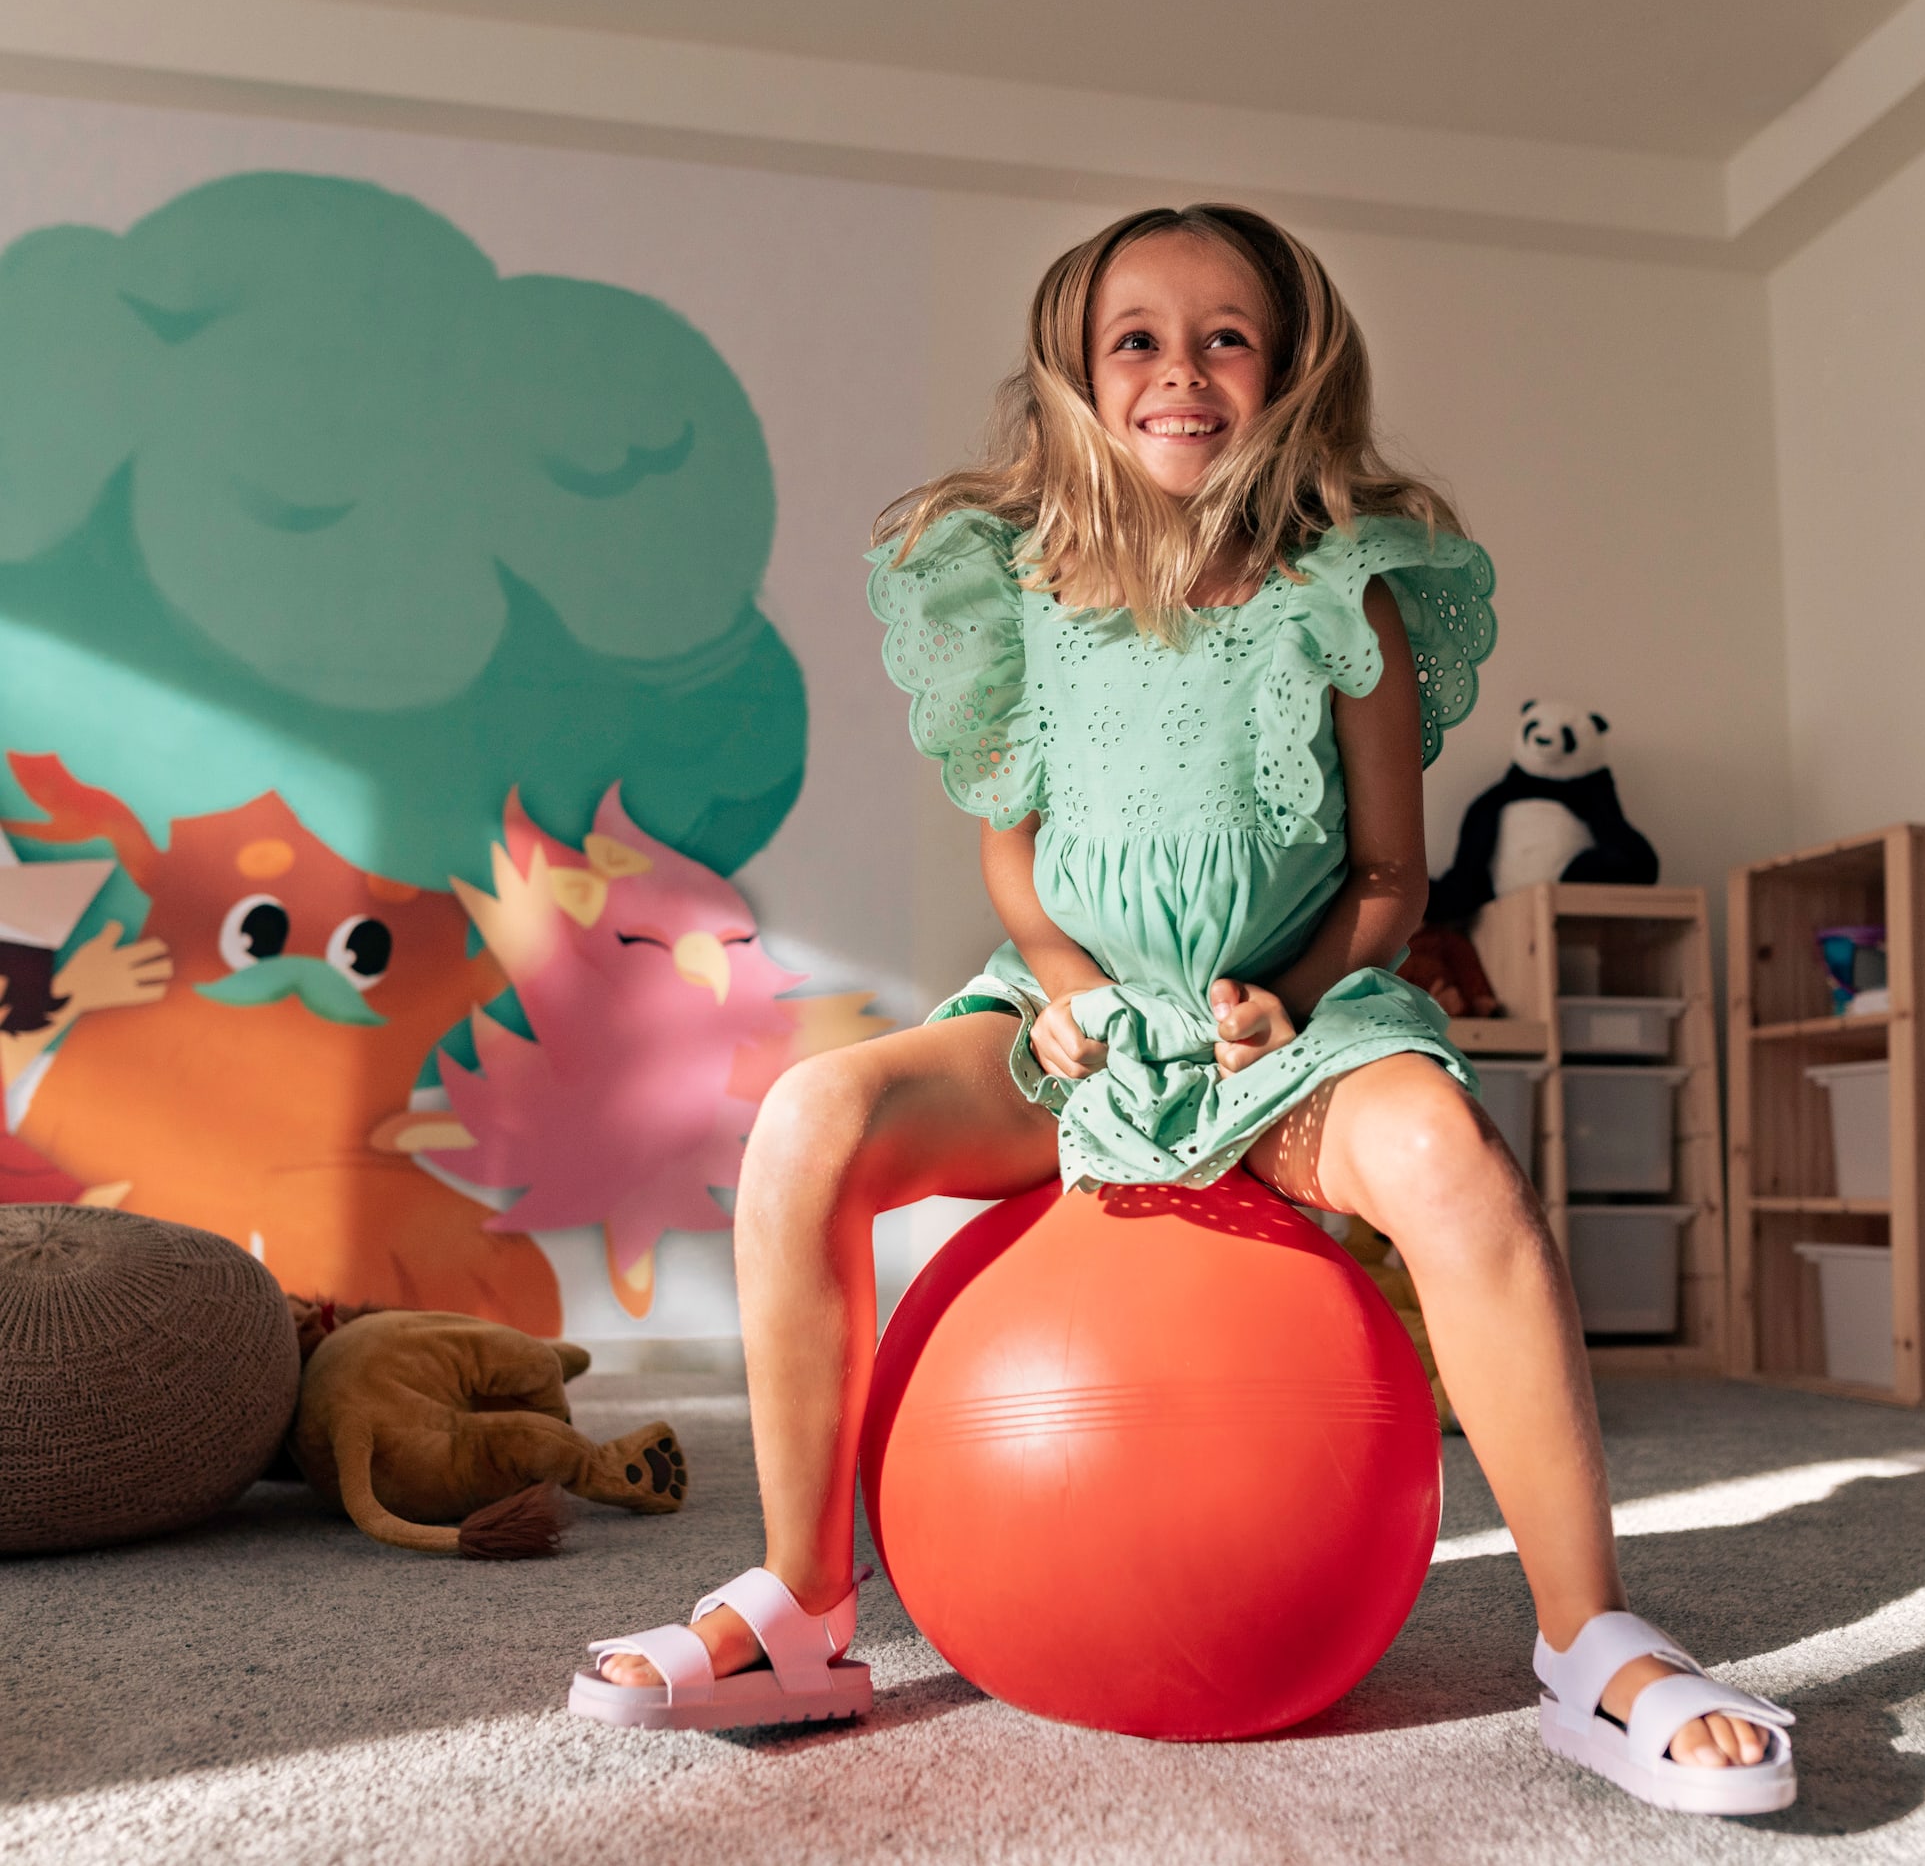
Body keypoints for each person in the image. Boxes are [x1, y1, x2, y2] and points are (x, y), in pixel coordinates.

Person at [569, 204, 1796, 1814]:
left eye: (1226, 334)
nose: (1181, 371)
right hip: (1069, 1020)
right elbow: (1014, 870)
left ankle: (1592, 1638)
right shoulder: (1014, 589)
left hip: (1289, 1026)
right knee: (813, 1115)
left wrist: (1279, 1004)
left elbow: (1387, 880)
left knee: (1455, 1163)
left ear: (1287, 369)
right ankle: (804, 1605)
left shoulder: (1344, 595)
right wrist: (1071, 995)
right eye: (1136, 337)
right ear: (1081, 373)